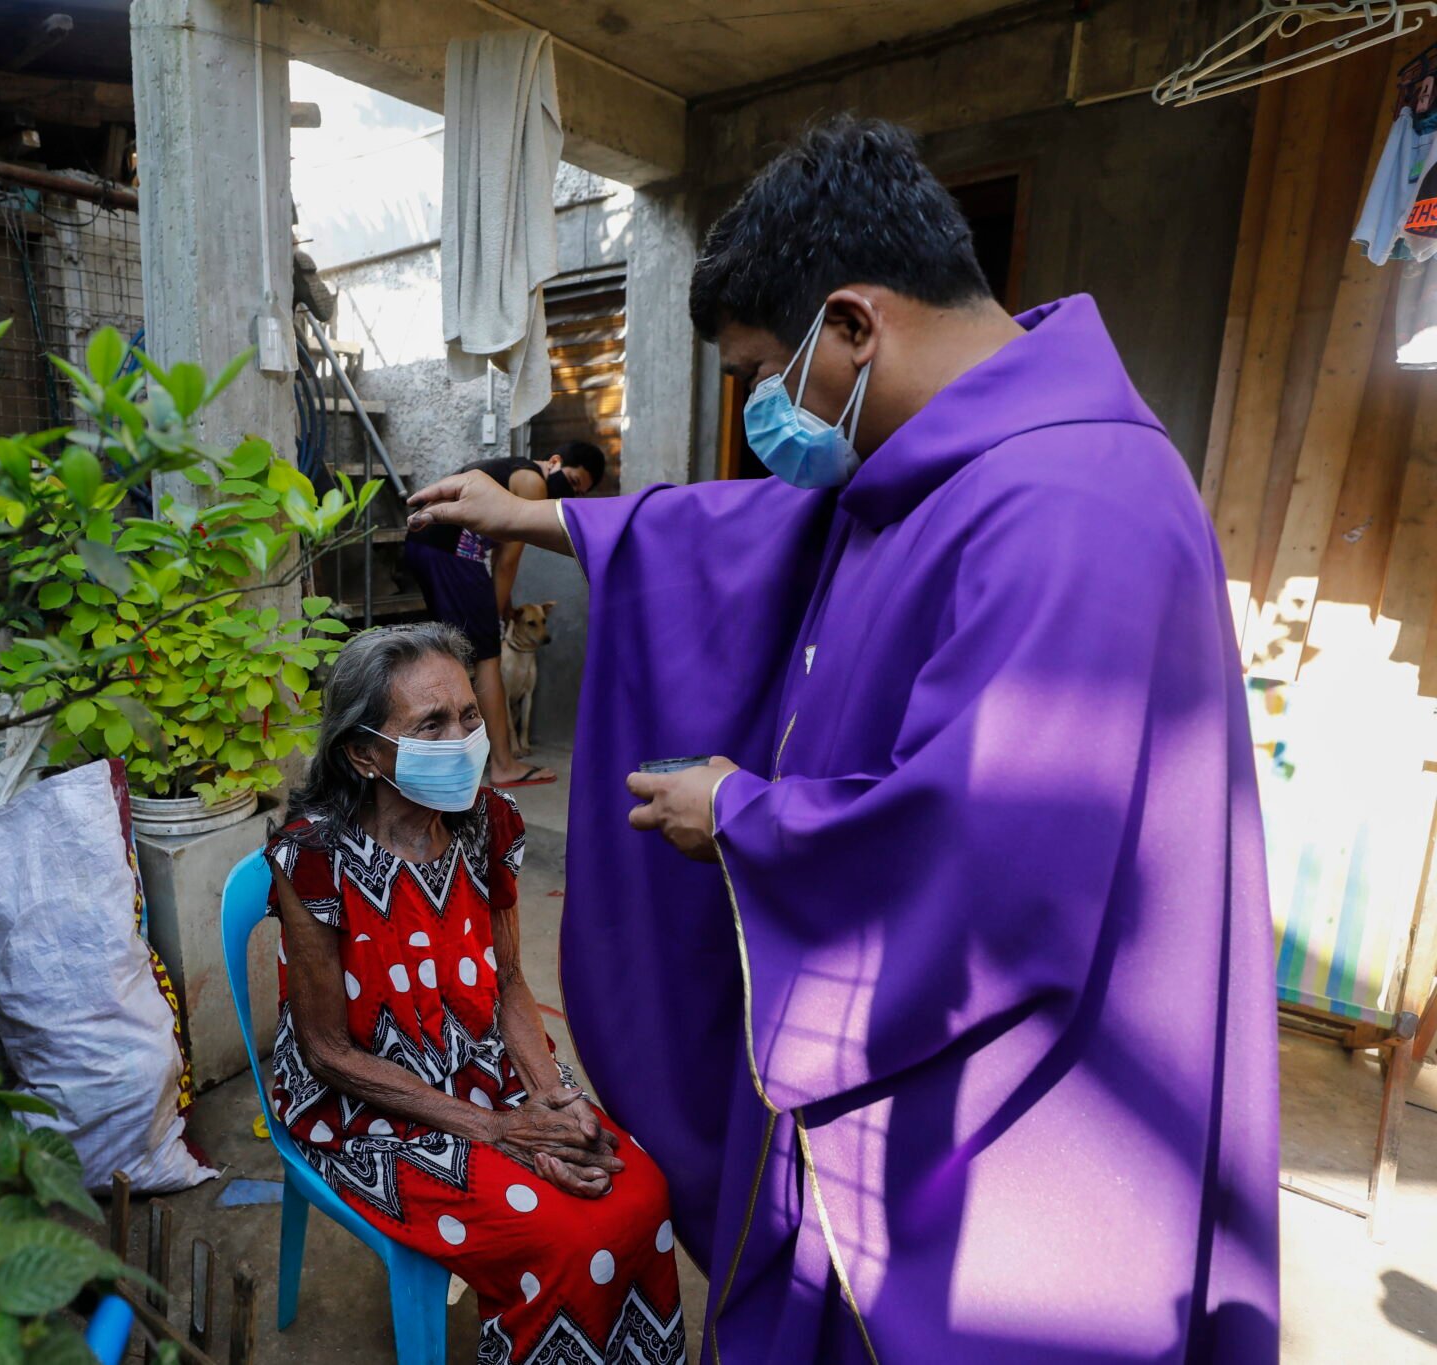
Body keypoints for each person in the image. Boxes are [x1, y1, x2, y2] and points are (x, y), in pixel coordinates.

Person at [405, 117, 1278, 1363]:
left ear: (855, 326)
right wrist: (540, 522)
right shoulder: (940, 466)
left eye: (768, 371)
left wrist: (746, 819)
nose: (769, 413)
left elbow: (1001, 858)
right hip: (869, 1083)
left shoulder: (1076, 511)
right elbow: (743, 534)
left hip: (1002, 1130)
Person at [264, 622, 685, 1365]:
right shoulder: (312, 858)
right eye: (431, 723)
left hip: (483, 1067)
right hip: (365, 1109)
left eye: (468, 715)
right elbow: (326, 1052)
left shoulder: (486, 823)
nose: (462, 737)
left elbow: (511, 980)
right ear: (363, 752)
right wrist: (498, 1131)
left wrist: (549, 1098)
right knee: (560, 1234)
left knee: (640, 1189)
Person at [402, 442, 604, 788]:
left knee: (453, 652)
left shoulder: (512, 468)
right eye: (571, 482)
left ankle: (441, 751)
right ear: (554, 460)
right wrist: (493, 621)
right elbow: (507, 562)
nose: (570, 493)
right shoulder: (532, 481)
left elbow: (499, 561)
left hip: (428, 548)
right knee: (487, 658)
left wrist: (501, 606)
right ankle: (504, 764)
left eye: (578, 493)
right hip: (452, 554)